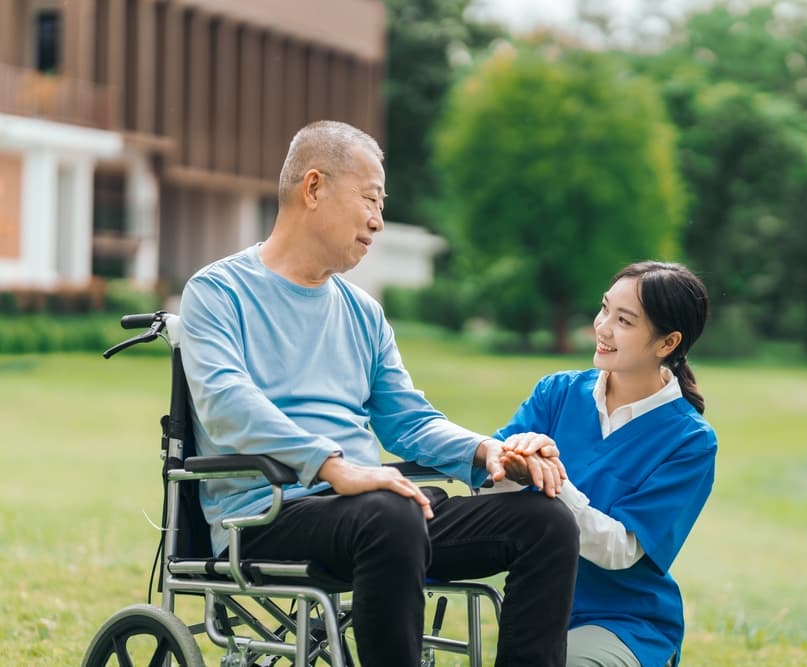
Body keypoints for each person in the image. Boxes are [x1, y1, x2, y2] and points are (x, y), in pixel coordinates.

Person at [178, 120, 579, 666]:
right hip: (269, 516)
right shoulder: (217, 291)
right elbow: (226, 404)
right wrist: (331, 465)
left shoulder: (362, 312)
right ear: (313, 188)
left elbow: (407, 420)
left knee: (546, 523)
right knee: (390, 513)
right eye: (370, 198)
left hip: (380, 514)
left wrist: (488, 452)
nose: (378, 220)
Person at [493, 261, 718, 667]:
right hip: (535, 608)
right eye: (604, 309)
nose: (602, 327)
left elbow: (620, 549)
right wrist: (509, 464)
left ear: (667, 343)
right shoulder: (556, 393)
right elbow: (488, 481)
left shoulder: (690, 442)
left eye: (624, 321)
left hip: (623, 621)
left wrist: (551, 477)